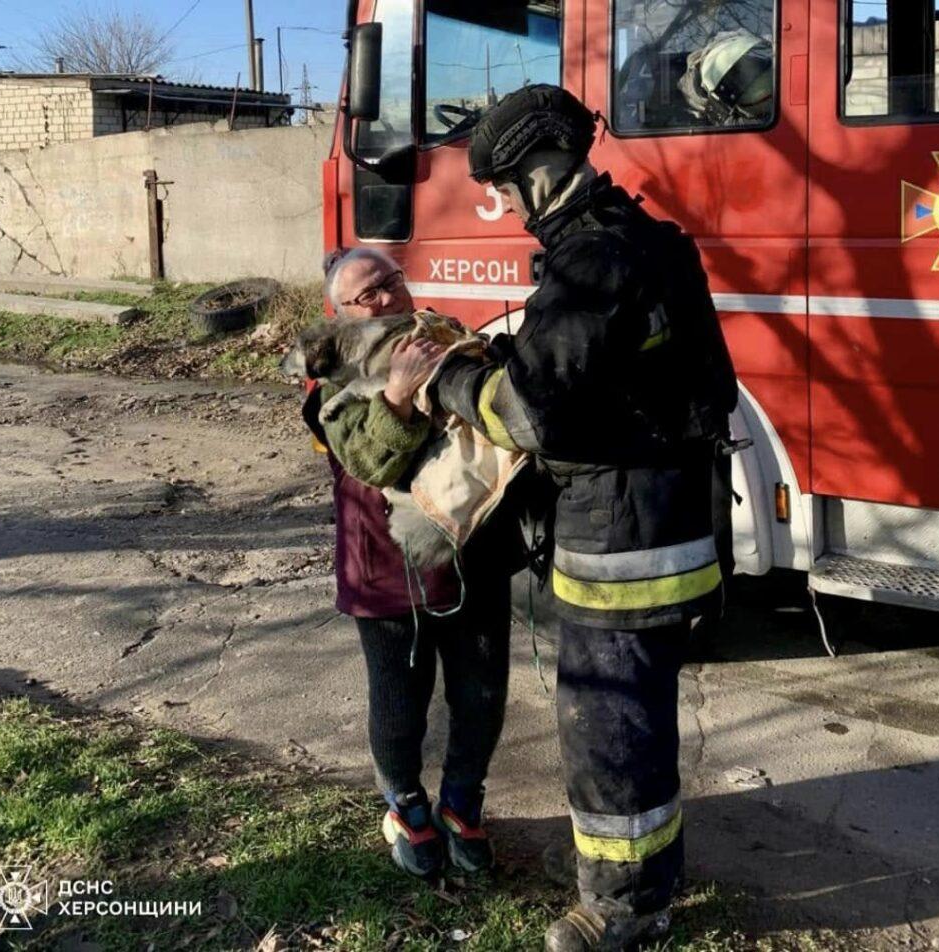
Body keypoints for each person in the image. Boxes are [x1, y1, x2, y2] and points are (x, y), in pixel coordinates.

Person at [429, 84, 737, 949]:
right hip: (675, 523)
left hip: (621, 541)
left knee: (605, 730)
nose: (510, 211)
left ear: (534, 175)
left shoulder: (592, 258)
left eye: (506, 191)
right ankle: (654, 884)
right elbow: (632, 377)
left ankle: (622, 912)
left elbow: (527, 414)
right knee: (640, 722)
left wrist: (447, 382)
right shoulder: (651, 243)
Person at [301, 247, 522, 879]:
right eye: (364, 296)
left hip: (470, 558)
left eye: (389, 283)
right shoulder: (334, 375)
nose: (384, 301)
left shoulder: (444, 334)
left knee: (481, 695)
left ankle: (462, 804)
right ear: (339, 311)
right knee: (401, 702)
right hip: (386, 567)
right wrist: (398, 395)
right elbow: (372, 463)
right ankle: (404, 805)